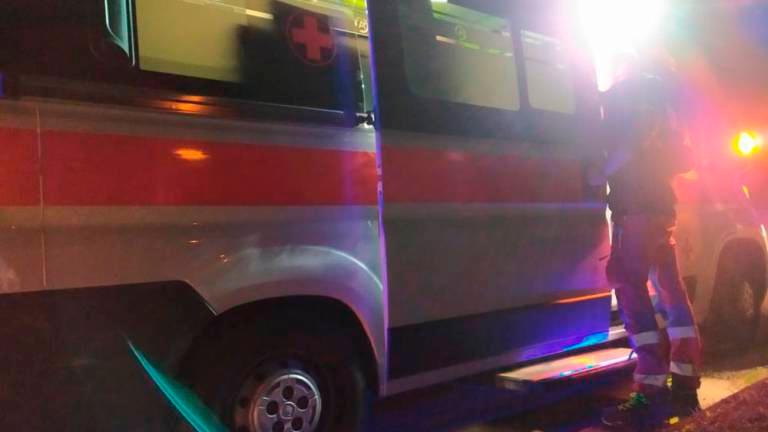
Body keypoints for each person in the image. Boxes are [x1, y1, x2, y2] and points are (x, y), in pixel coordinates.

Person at [595, 66, 702, 430]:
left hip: (636, 214)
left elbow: (619, 155)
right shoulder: (663, 109)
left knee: (628, 287)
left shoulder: (623, 106)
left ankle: (650, 391)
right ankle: (685, 388)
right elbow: (685, 159)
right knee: (672, 296)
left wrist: (599, 172)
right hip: (661, 213)